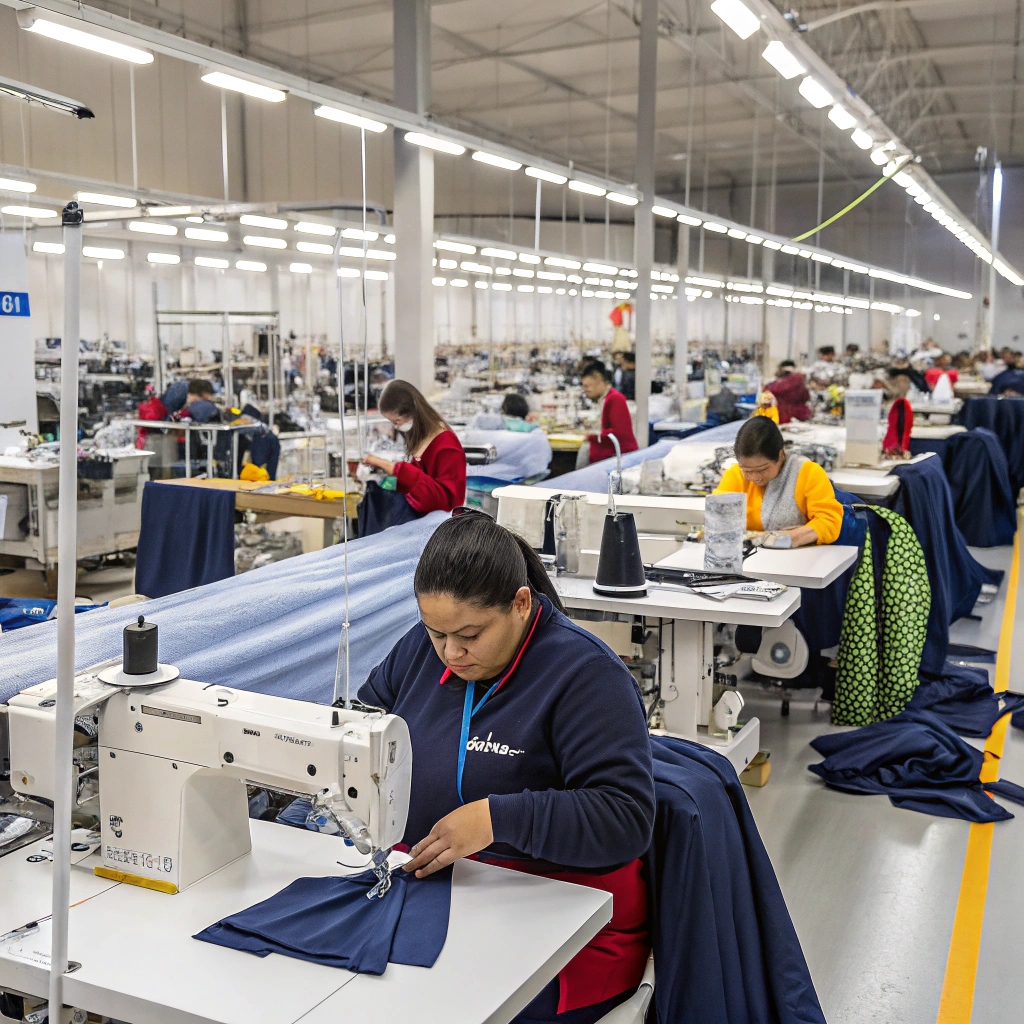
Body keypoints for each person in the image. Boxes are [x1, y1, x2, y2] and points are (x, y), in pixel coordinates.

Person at [359, 511, 655, 1024]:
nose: (451, 652)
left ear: (520, 604)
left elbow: (624, 817)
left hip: (567, 925)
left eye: (470, 634)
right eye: (436, 633)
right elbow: (362, 724)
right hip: (445, 898)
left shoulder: (586, 676)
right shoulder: (424, 651)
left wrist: (497, 820)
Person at [714, 417, 844, 548]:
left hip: (801, 558)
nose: (755, 477)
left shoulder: (807, 472)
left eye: (762, 469)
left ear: (781, 455)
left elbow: (829, 521)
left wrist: (791, 538)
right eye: (747, 470)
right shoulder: (735, 475)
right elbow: (718, 522)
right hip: (751, 560)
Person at [360, 380, 466, 526]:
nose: (395, 427)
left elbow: (446, 503)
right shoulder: (423, 438)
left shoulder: (446, 446)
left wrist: (394, 468)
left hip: (442, 527)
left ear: (413, 411)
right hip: (424, 521)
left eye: (397, 421)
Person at [580, 361, 638, 466]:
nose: (585, 390)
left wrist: (593, 436)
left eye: (587, 386)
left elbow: (619, 432)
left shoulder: (615, 399)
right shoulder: (605, 399)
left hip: (619, 459)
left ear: (598, 379)